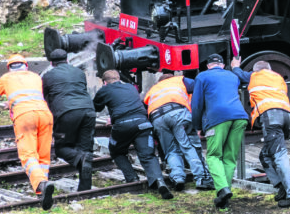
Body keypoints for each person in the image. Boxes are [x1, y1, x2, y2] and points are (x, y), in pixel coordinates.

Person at [0, 54, 56, 210]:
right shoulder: (35, 76)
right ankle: (42, 191)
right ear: (26, 66)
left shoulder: (6, 78)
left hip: (25, 116)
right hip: (45, 114)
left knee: (28, 155)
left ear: (9, 68)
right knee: (43, 155)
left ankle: (41, 184)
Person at [233, 58, 290, 208]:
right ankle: (281, 187)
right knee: (265, 155)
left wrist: (235, 66)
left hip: (271, 116)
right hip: (288, 116)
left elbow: (239, 74)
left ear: (256, 70)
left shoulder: (255, 76)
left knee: (279, 155)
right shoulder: (278, 78)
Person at [93, 69, 173, 200]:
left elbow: (96, 107)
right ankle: (159, 181)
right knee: (148, 155)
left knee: (116, 151)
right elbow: (128, 105)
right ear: (119, 78)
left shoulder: (105, 90)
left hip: (122, 126)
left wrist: (113, 118)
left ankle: (132, 179)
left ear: (104, 82)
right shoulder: (131, 87)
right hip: (143, 124)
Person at [192, 54, 249, 208]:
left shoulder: (202, 77)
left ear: (208, 66)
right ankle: (225, 195)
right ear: (223, 65)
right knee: (230, 157)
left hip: (217, 118)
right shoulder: (232, 76)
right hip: (240, 117)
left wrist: (197, 126)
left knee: (213, 155)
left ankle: (222, 189)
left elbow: (197, 104)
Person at [143, 71, 212, 192]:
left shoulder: (153, 89)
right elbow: (200, 86)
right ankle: (202, 178)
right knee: (188, 146)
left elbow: (145, 107)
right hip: (177, 112)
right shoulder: (180, 80)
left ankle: (178, 178)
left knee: (171, 150)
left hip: (157, 118)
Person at [41, 49, 95, 191]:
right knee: (85, 150)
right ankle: (85, 189)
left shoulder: (47, 76)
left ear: (51, 63)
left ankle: (79, 159)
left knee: (61, 148)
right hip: (88, 111)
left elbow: (44, 98)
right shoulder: (78, 72)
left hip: (66, 113)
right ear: (67, 59)